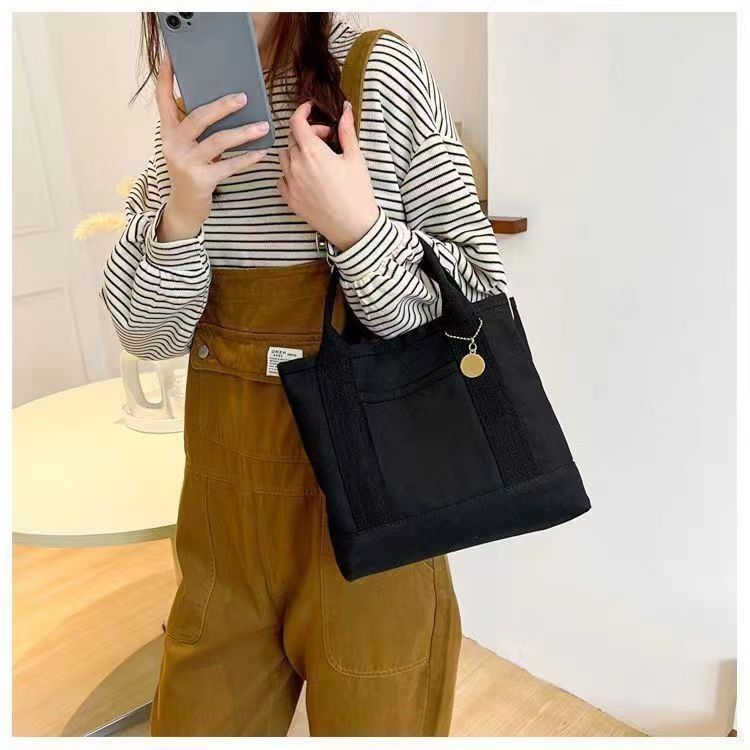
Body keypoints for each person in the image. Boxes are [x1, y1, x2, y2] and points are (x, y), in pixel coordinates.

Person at [101, 12, 508, 737]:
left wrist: (357, 231)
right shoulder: (189, 115)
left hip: (377, 547)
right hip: (224, 545)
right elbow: (146, 334)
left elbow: (478, 309)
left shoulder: (377, 76)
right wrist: (183, 208)